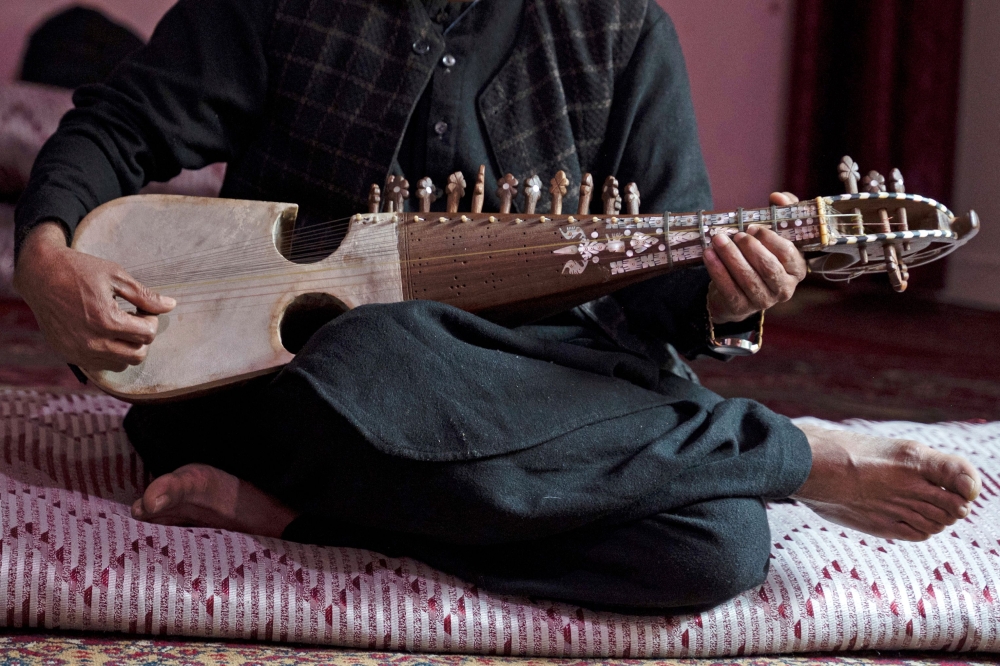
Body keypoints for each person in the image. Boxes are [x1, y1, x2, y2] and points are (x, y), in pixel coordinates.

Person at [12, 0, 981, 613]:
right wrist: (49, 256)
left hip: (536, 395)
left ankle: (298, 523)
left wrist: (729, 292)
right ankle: (793, 453)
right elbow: (118, 125)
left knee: (710, 550)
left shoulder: (618, 27)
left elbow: (663, 286)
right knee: (382, 349)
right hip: (287, 383)